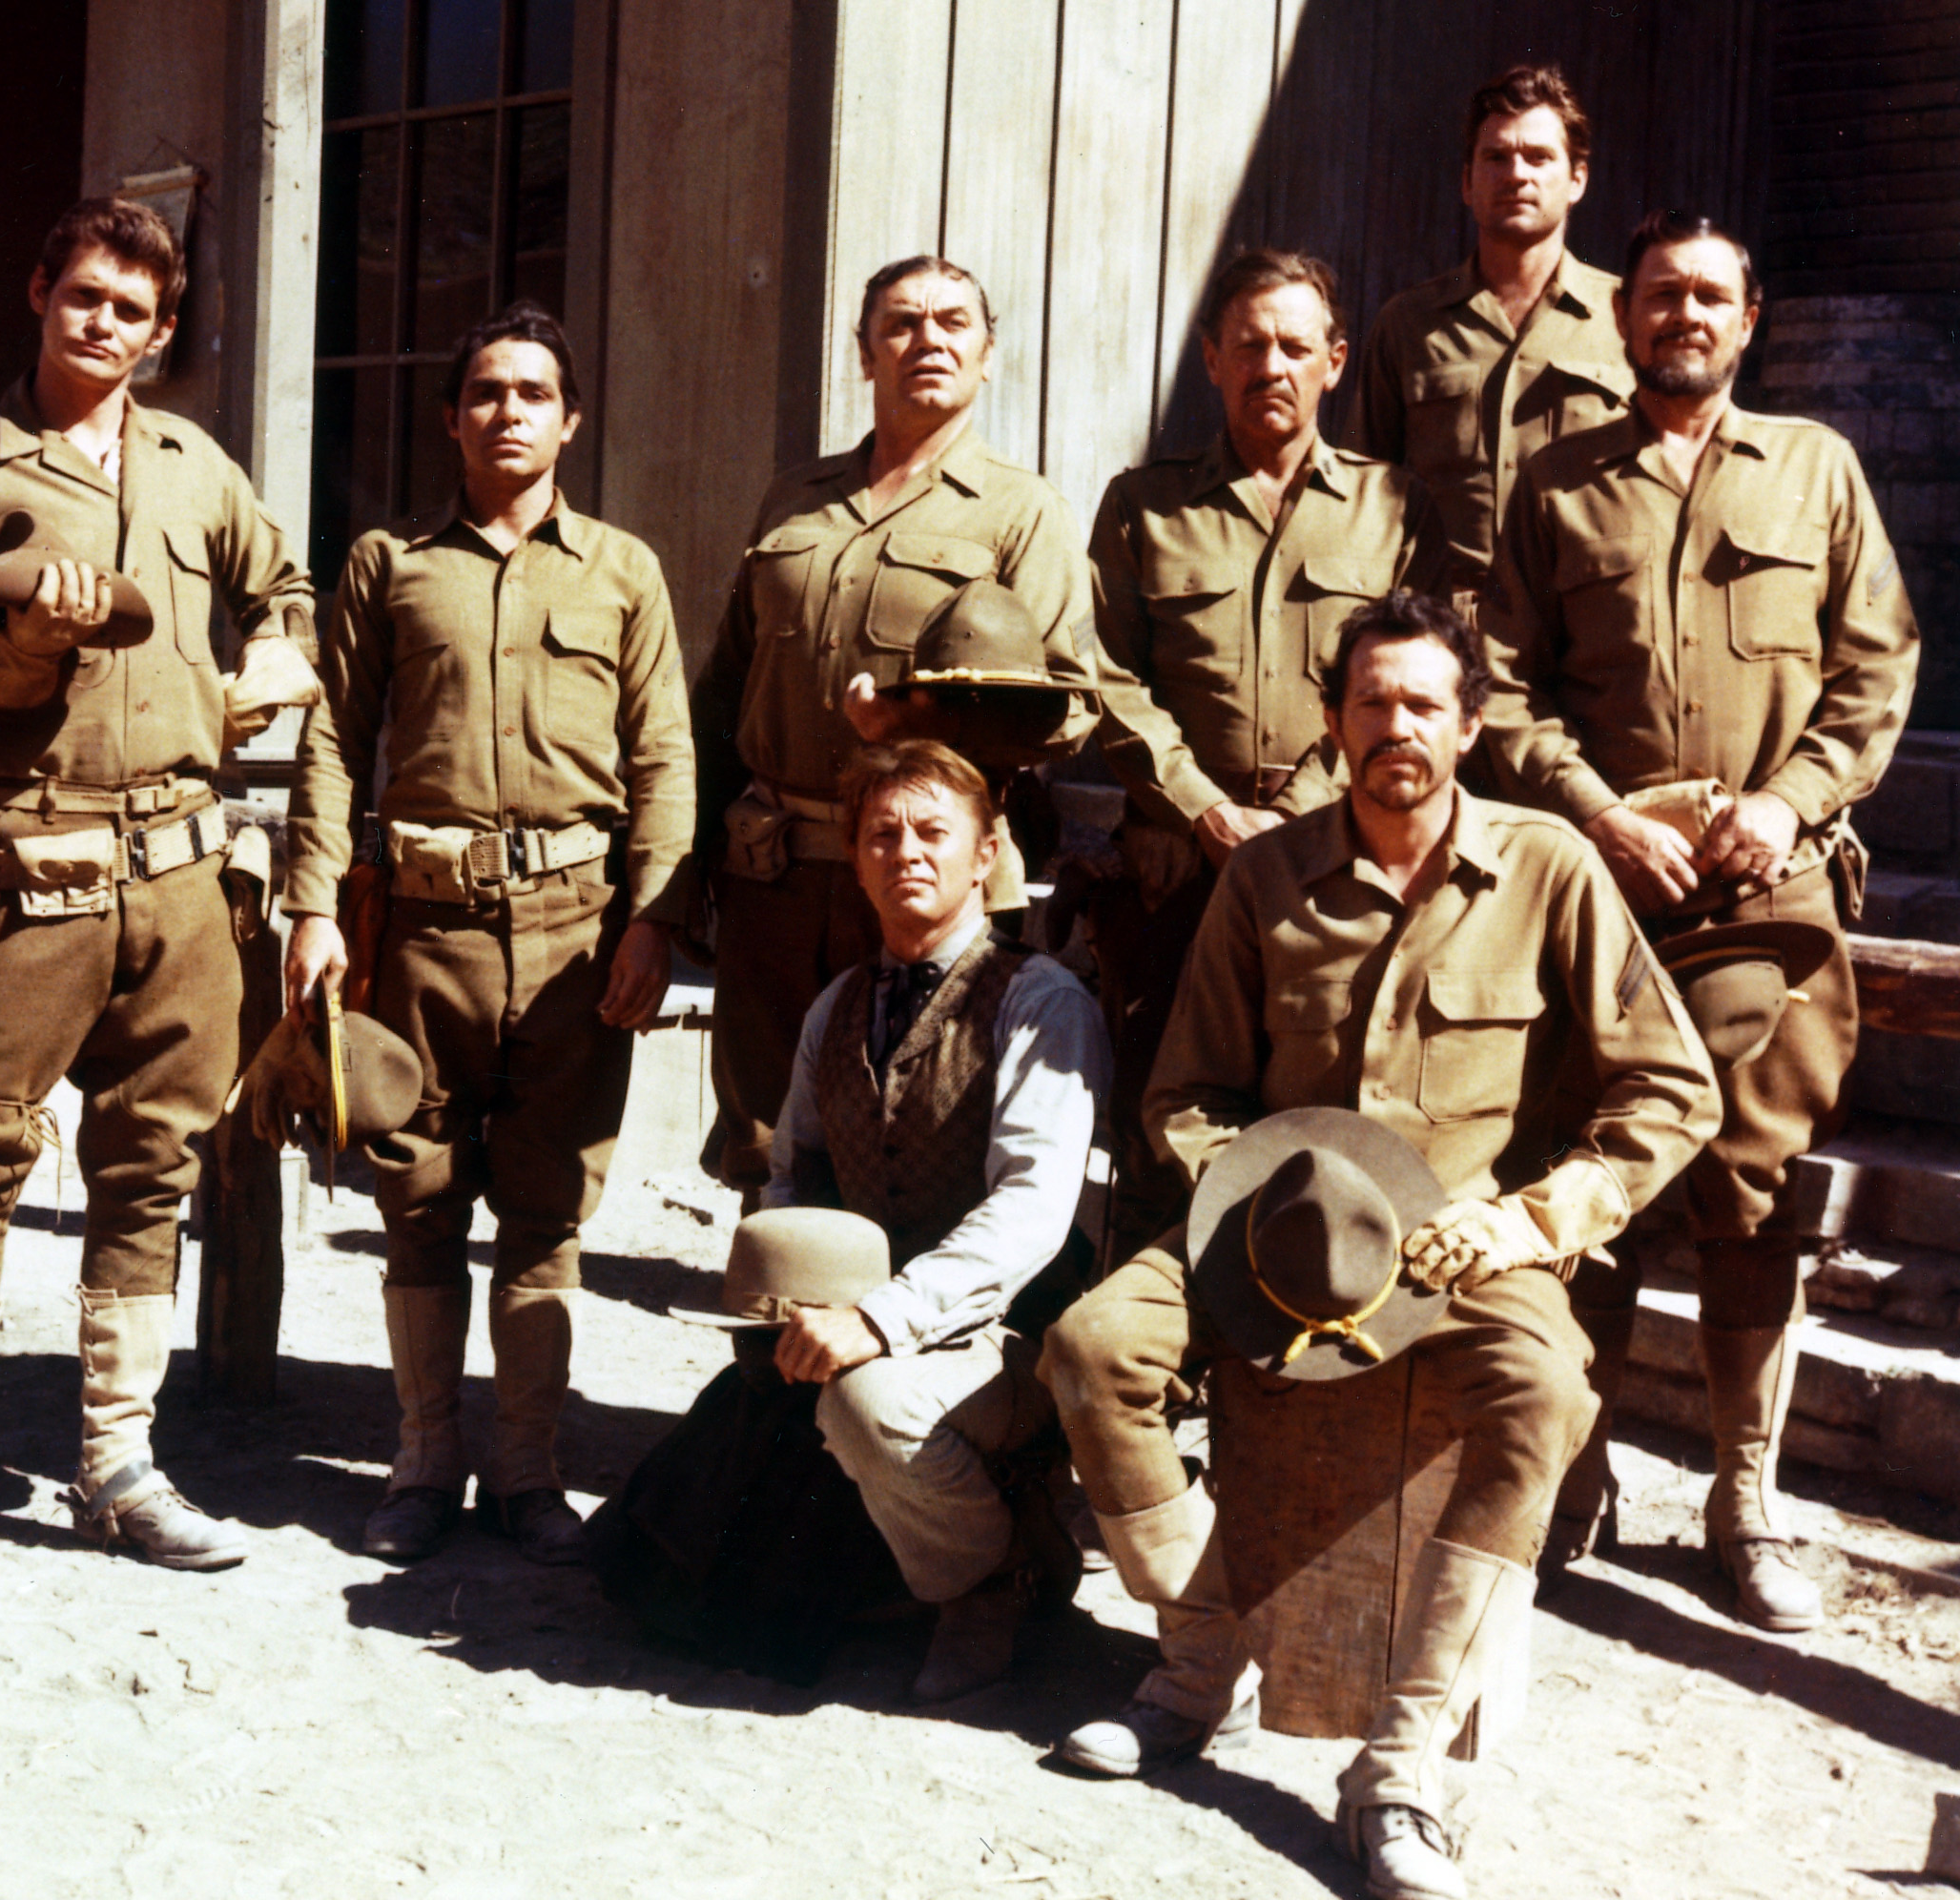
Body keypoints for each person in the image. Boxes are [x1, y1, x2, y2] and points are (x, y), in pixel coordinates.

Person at [1039, 593, 1718, 1900]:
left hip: (1467, 1248)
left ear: (1468, 726)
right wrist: (1258, 1203)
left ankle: (1402, 1763)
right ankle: (1200, 1661)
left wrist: (1532, 1217)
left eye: (1422, 704)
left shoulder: (1550, 869)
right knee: (1093, 1347)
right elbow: (1184, 1094)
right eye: (1371, 703)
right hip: (1277, 1232)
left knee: (1546, 1396)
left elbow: (1671, 1093)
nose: (1395, 726)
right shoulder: (1265, 877)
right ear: (1337, 722)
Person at [0, 197, 321, 1587]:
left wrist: (279, 655)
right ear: (39, 294)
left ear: (160, 334)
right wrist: (28, 646)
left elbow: (283, 583)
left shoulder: (192, 464)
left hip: (179, 876)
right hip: (29, 863)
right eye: (84, 297)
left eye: (133, 309)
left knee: (150, 1167)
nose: (103, 323)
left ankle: (118, 1465)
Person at [1477, 210, 1919, 1626]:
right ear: (1624, 321)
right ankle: (1574, 1467)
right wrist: (1597, 812)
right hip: (1600, 900)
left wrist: (1791, 802)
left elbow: (1875, 667)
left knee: (1747, 1194)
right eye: (1659, 293)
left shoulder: (1816, 471)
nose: (1681, 315)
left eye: (1708, 297)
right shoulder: (1557, 488)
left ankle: (1746, 1498)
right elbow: (1501, 691)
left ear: (1750, 319)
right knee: (1587, 1177)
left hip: (1767, 902)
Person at [282, 301, 695, 1567]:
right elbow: (334, 743)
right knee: (416, 1203)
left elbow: (667, 757)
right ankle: (422, 1460)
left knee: (545, 1211)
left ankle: (527, 1471)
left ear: (571, 421)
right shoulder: (388, 563)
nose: (508, 411)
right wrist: (312, 902)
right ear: (452, 416)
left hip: (577, 942)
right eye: (486, 393)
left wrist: (656, 922)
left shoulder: (623, 571)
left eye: (533, 393)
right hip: (423, 934)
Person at [689, 255, 1096, 1199]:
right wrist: (682, 875)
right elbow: (722, 695)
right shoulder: (794, 499)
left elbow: (1069, 704)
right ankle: (773, 1330)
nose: (929, 341)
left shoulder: (1020, 512)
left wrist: (922, 721)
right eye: (902, 324)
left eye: (954, 323)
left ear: (988, 354)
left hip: (927, 878)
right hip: (777, 878)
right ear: (863, 353)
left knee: (923, 1125)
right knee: (770, 1139)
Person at [1088, 247, 1445, 1255]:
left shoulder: (1396, 509)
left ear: (1335, 361)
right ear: (1210, 359)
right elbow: (1105, 676)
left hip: (1335, 868)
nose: (1270, 365)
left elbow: (1415, 680)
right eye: (1248, 345)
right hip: (1177, 873)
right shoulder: (1143, 506)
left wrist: (1294, 823)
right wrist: (1206, 810)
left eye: (1295, 346)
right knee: (1162, 1129)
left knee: (1316, 1116)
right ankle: (1154, 1367)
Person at [762, 739, 1108, 1703]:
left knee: (867, 1405)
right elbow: (794, 1174)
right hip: (865, 1321)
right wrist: (787, 1290)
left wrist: (878, 1322)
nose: (905, 853)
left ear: (986, 854)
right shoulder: (834, 1007)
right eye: (881, 834)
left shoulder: (1040, 1001)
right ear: (855, 854)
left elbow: (1034, 1207)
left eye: (931, 833)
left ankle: (997, 1578)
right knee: (686, 1550)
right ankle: (914, 1552)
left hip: (1005, 1338)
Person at [1351, 65, 1634, 599]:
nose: (1516, 174)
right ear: (1466, 181)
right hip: (1447, 630)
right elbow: (1362, 492)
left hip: (1588, 628)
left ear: (1578, 179)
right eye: (1496, 157)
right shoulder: (1409, 324)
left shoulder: (1626, 318)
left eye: (1539, 157)